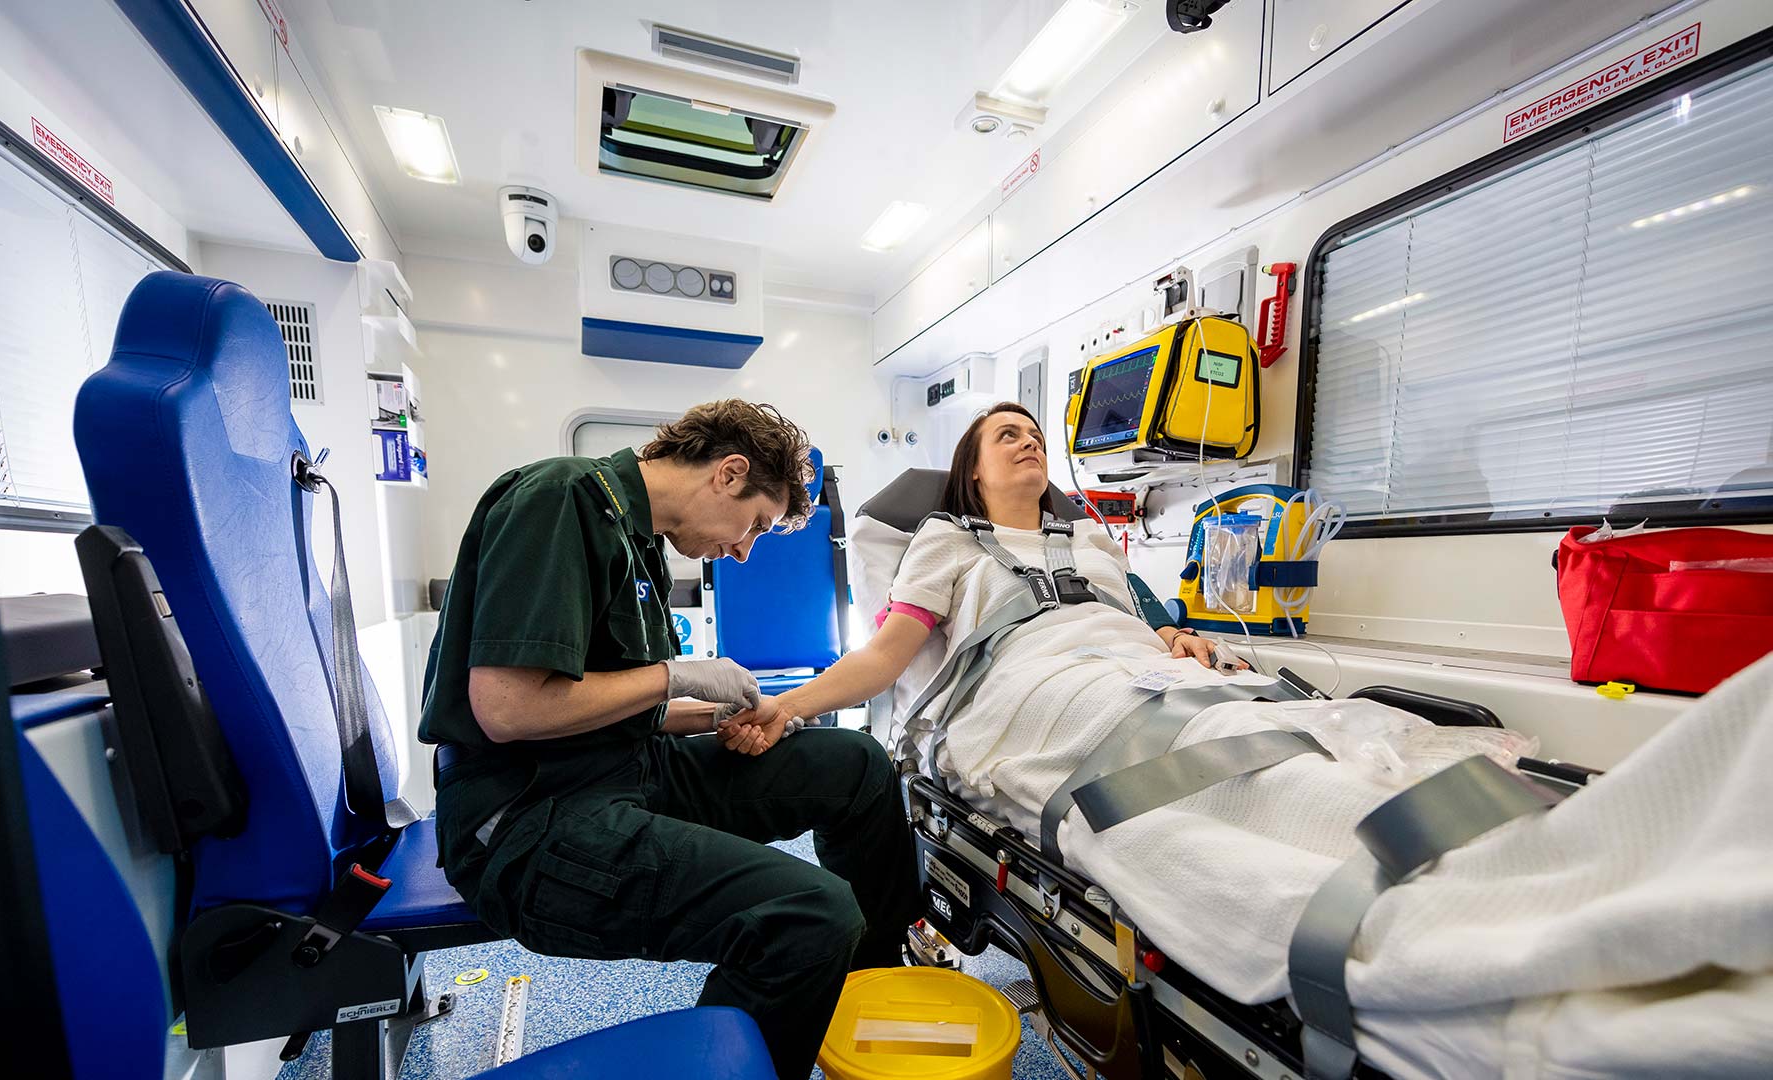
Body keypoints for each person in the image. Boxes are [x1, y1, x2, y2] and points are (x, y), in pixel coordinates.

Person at [419, 400, 921, 1079]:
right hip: (530, 821)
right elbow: (508, 709)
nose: (744, 551)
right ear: (728, 472)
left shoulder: (637, 540)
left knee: (855, 763)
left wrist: (714, 714)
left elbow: (601, 705)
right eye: (754, 525)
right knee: (808, 914)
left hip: (625, 770)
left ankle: (864, 983)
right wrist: (669, 676)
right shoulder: (559, 498)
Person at [721, 401, 1237, 755]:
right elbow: (884, 657)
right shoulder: (946, 540)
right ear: (972, 468)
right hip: (1048, 684)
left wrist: (1176, 636)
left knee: (1245, 712)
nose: (1029, 443)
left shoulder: (1091, 539)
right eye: (1008, 436)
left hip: (1146, 672)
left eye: (1035, 436)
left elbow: (1143, 612)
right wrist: (785, 706)